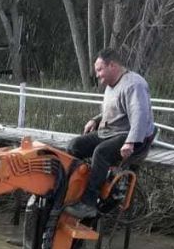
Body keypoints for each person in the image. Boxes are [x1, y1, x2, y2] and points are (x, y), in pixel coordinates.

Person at [65, 48, 155, 220]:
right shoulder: (110, 86)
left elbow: (140, 115)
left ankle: (88, 203)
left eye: (99, 70)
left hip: (134, 136)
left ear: (112, 65)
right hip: (111, 131)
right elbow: (116, 110)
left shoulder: (134, 84)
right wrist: (96, 120)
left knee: (101, 152)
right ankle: (73, 190)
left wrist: (131, 142)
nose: (97, 75)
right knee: (74, 146)